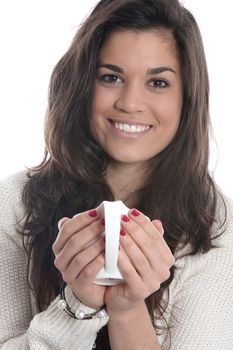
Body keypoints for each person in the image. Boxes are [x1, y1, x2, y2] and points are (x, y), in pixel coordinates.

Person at [0, 0, 232, 349]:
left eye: (158, 82)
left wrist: (127, 309)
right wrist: (78, 304)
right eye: (111, 77)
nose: (130, 102)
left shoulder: (220, 229)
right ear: (80, 85)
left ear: (188, 98)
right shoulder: (12, 206)